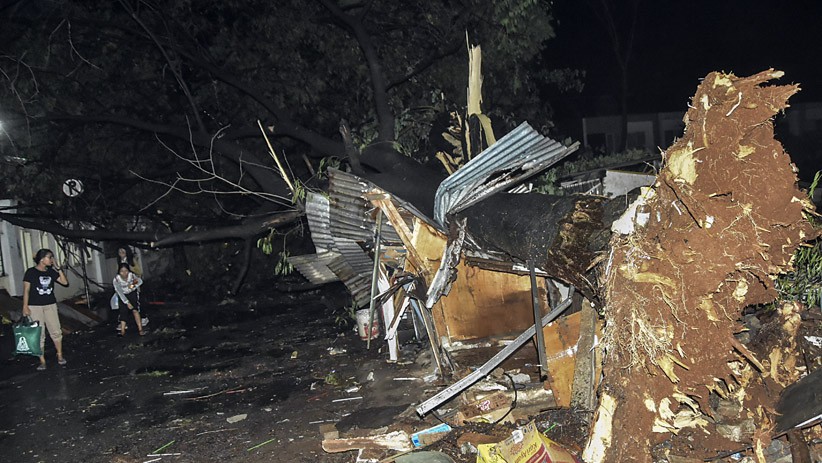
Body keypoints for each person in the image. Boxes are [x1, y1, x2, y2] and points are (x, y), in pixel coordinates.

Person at [22, 248, 69, 371]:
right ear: (42, 259)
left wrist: (58, 269)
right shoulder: (30, 272)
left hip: (50, 305)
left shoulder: (50, 272)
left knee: (56, 330)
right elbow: (26, 290)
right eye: (50, 257)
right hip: (34, 306)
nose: (52, 260)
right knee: (39, 333)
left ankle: (60, 355)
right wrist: (25, 306)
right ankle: (42, 361)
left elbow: (64, 282)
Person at [117, 246, 148, 327]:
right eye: (120, 252)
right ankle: (124, 321)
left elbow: (139, 273)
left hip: (133, 285)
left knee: (136, 302)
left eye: (123, 252)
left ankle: (143, 317)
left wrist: (133, 284)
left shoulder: (131, 261)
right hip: (124, 286)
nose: (121, 254)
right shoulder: (119, 262)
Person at [113, 263, 144, 337]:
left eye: (126, 271)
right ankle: (122, 331)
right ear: (119, 272)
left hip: (132, 293)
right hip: (123, 295)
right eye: (122, 271)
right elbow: (119, 292)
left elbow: (139, 281)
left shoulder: (132, 276)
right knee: (123, 312)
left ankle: (140, 329)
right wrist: (127, 302)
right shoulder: (116, 280)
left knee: (135, 310)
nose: (124, 273)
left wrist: (132, 286)